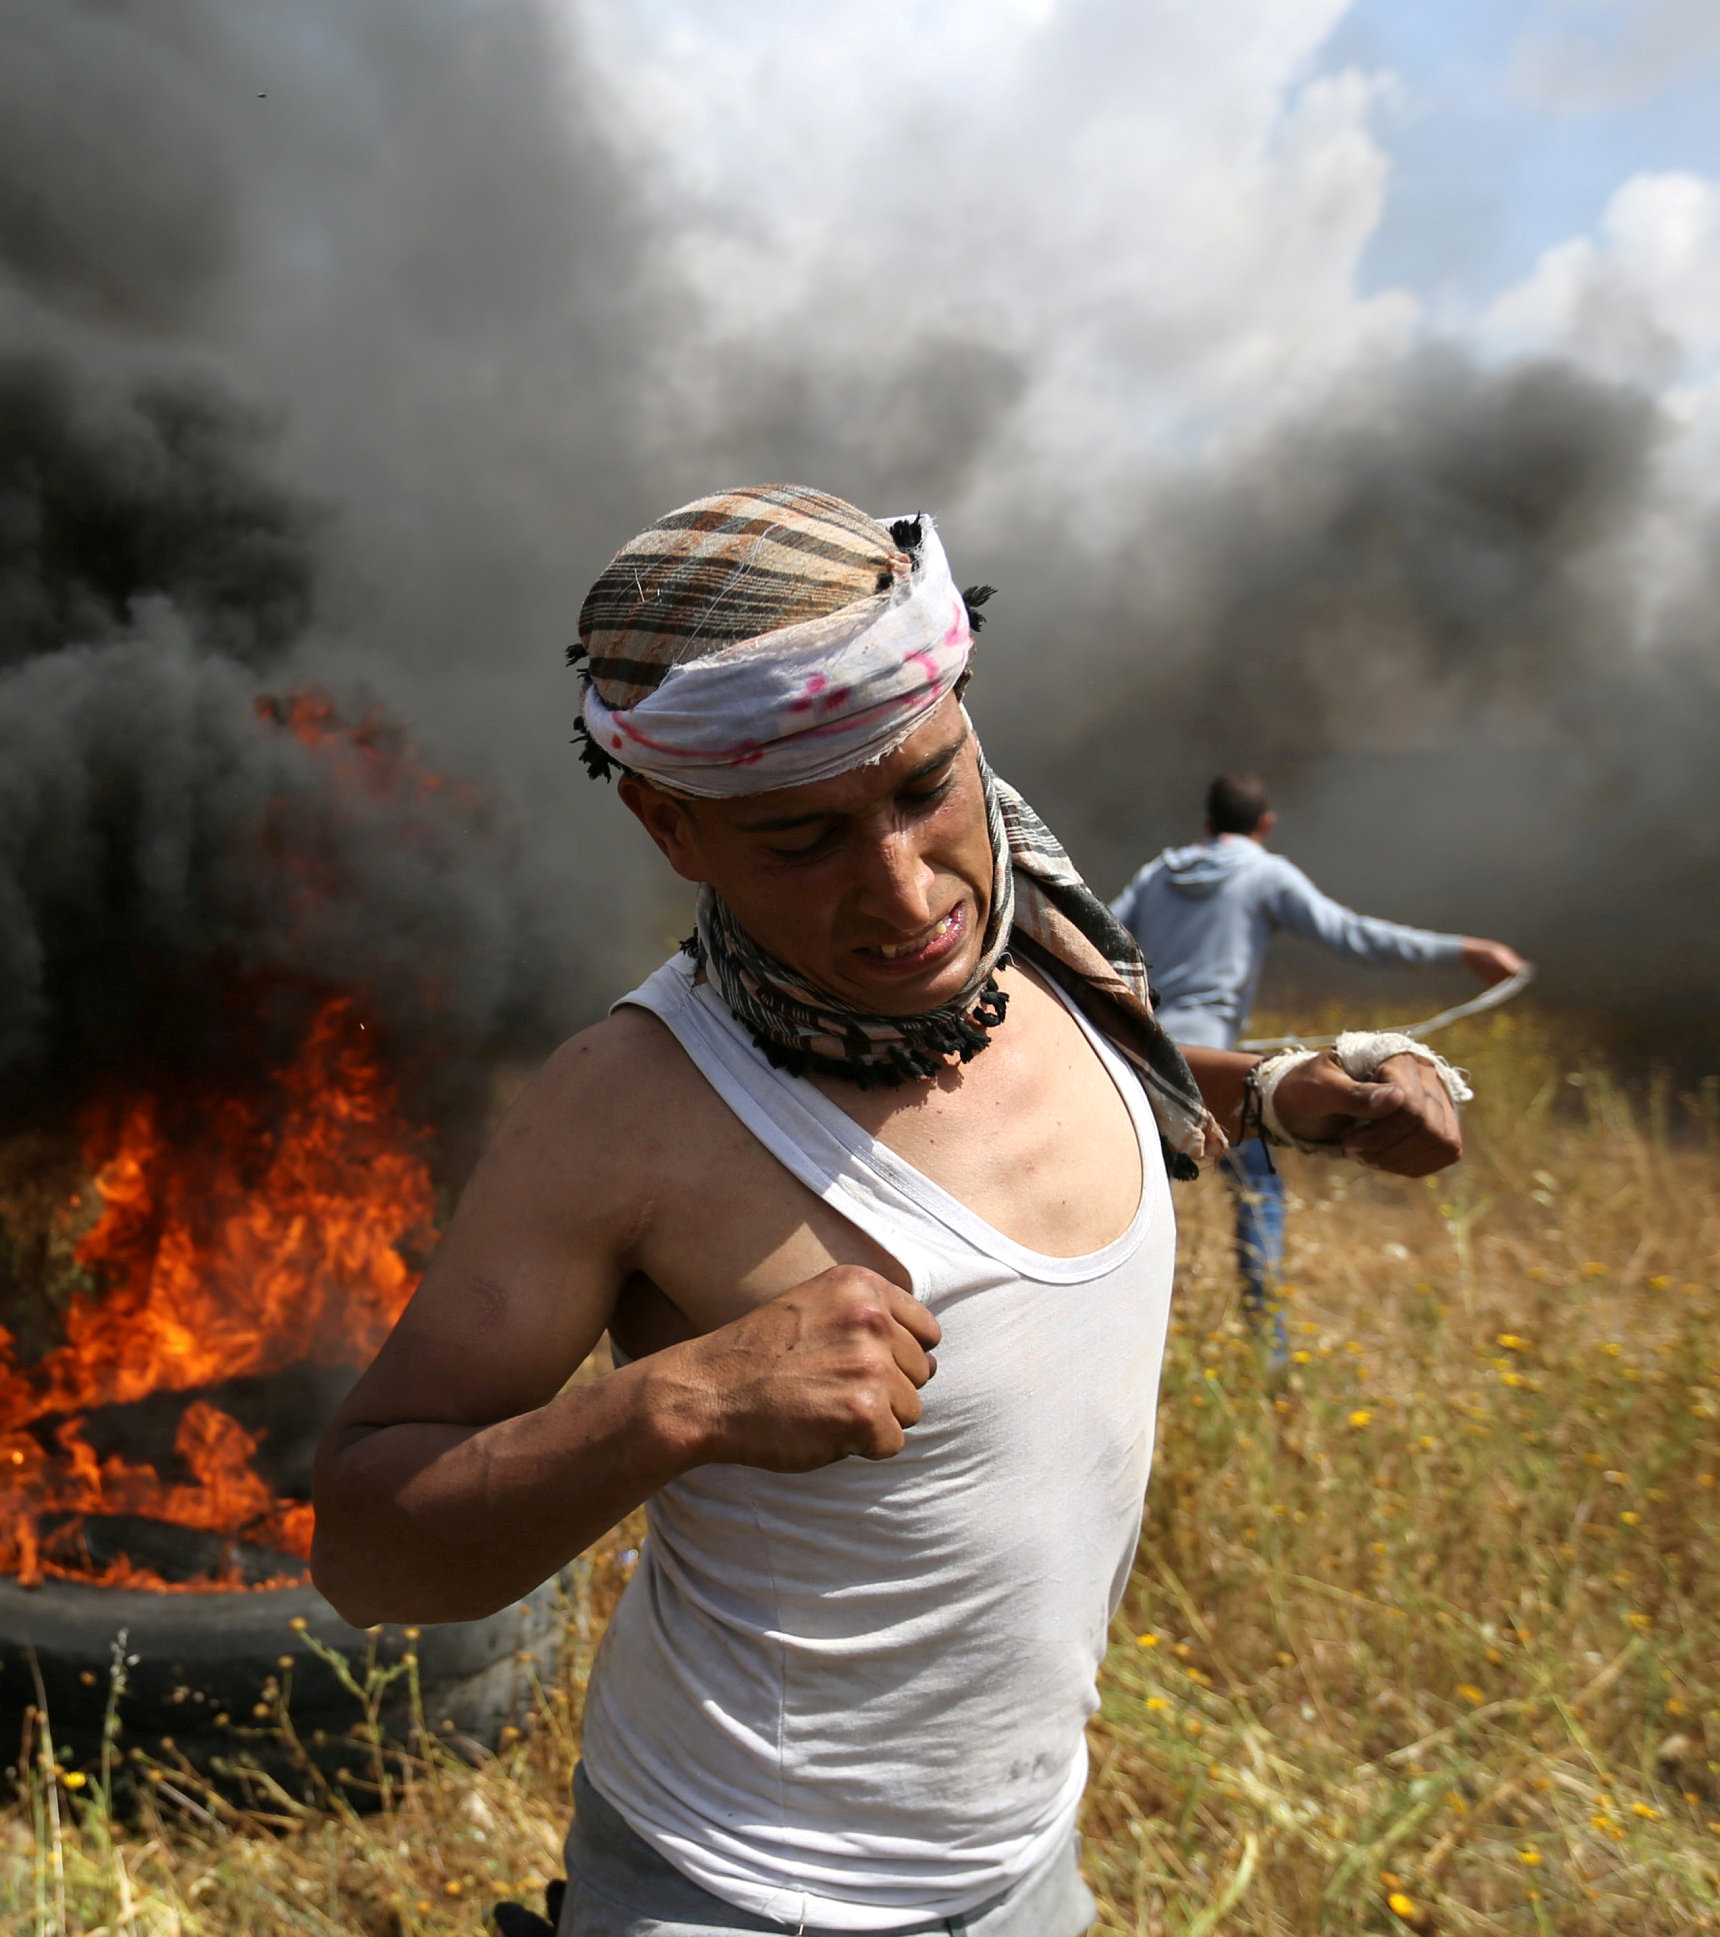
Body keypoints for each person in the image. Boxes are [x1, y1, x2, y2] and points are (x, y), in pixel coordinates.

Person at [308, 486, 1469, 1937]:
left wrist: (1296, 1090)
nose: (904, 890)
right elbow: (363, 1549)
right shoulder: (631, 1107)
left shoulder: (1037, 961)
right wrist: (681, 1401)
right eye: (801, 842)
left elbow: (1125, 1090)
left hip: (1029, 1869)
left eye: (925, 789)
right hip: (740, 1896)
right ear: (675, 826)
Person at [1109, 774, 1526, 1354]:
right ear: (1266, 826)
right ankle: (1270, 1351)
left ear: (1206, 824)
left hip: (1140, 1059)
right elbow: (1355, 937)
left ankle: (1119, 1341)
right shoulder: (1265, 873)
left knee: (1128, 1203)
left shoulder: (1158, 874)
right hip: (1220, 1074)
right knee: (1259, 1194)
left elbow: (1094, 933)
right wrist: (1466, 950)